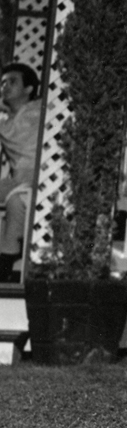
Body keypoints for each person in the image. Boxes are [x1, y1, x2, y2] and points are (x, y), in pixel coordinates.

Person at [0, 62, 42, 284]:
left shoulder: (38, 111)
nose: (5, 86)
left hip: (38, 180)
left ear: (28, 89)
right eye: (3, 83)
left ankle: (5, 263)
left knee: (16, 200)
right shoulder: (9, 117)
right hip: (16, 180)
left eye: (12, 82)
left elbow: (17, 136)